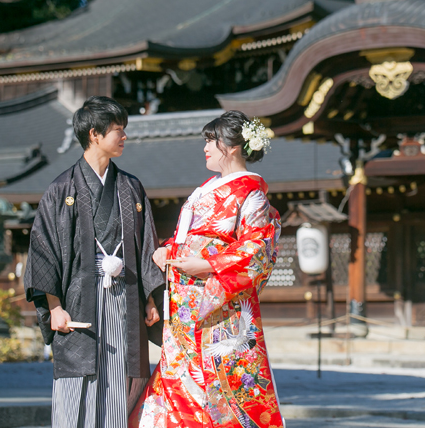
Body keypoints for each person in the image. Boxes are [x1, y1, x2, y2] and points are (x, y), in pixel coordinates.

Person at [129, 110, 284, 428]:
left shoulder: (249, 195)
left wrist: (208, 265)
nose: (206, 147)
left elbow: (258, 251)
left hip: (217, 309)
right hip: (183, 305)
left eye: (212, 140)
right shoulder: (207, 189)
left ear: (234, 146)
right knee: (177, 380)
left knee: (217, 389)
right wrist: (168, 249)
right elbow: (191, 239)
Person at [25, 96, 164, 428]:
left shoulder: (130, 187)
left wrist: (150, 299)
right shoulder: (62, 189)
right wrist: (54, 307)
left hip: (125, 298)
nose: (125, 137)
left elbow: (146, 245)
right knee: (78, 381)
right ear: (94, 134)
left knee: (121, 378)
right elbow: (44, 250)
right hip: (78, 301)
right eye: (118, 130)